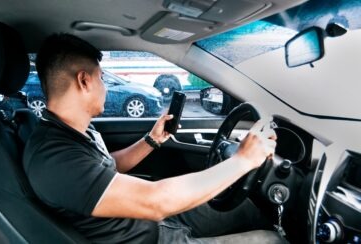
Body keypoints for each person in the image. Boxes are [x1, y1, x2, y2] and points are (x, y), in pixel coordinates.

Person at [23, 33, 283, 243]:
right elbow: (156, 202)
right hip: (153, 237)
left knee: (246, 209)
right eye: (101, 78)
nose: (105, 86)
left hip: (157, 222)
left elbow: (105, 167)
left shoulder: (76, 131)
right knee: (271, 241)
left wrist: (151, 140)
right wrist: (242, 160)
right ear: (84, 81)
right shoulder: (53, 157)